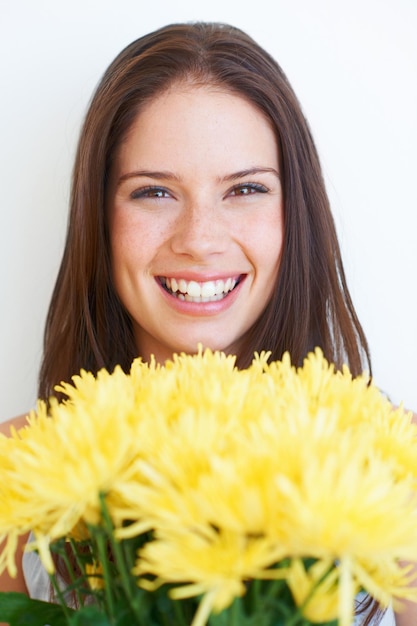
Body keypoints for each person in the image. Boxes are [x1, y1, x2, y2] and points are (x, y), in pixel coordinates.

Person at [0, 22, 415, 626]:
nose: (199, 240)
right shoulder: (14, 470)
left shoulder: (395, 464)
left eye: (245, 189)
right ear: (100, 218)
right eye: (154, 193)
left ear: (292, 216)